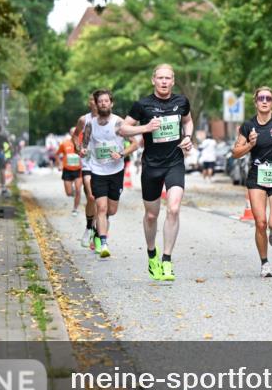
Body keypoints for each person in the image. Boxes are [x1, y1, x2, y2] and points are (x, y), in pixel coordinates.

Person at [119, 64, 194, 281]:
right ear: (153, 80)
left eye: (167, 78)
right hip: (151, 166)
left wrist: (188, 137)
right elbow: (123, 128)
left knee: (173, 208)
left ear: (173, 81)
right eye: (160, 78)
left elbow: (188, 120)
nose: (163, 82)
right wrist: (145, 128)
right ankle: (152, 253)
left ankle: (167, 260)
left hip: (175, 162)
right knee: (152, 215)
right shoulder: (142, 104)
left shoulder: (181, 102)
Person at [232, 86, 272, 278]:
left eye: (268, 98)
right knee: (261, 223)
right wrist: (250, 144)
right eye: (261, 98)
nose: (265, 101)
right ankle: (264, 263)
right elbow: (235, 152)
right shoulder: (248, 126)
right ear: (256, 102)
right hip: (257, 176)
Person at [81, 89, 139, 258]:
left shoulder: (119, 123)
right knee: (101, 207)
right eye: (100, 101)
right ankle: (103, 242)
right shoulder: (90, 124)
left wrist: (121, 154)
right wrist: (83, 151)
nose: (104, 104)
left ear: (111, 103)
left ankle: (97, 229)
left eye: (106, 101)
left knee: (111, 211)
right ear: (96, 104)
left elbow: (135, 144)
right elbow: (84, 145)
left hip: (116, 171)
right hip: (97, 171)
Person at [73, 94, 99, 249]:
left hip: (106, 165)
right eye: (92, 100)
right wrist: (78, 148)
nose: (95, 102)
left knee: (105, 205)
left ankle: (98, 232)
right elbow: (76, 136)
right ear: (89, 103)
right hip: (88, 163)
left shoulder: (112, 120)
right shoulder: (84, 119)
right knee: (91, 196)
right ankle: (89, 227)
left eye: (98, 99)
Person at [56, 128, 83, 215]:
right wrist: (59, 164)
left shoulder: (82, 144)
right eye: (73, 132)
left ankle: (75, 209)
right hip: (67, 170)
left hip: (78, 170)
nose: (75, 134)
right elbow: (57, 154)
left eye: (76, 132)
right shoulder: (65, 143)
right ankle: (73, 192)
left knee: (78, 190)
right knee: (69, 193)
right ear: (70, 133)